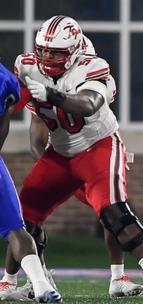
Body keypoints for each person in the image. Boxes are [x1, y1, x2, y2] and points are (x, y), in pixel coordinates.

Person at [4, 16, 143, 303]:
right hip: (59, 152)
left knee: (114, 213)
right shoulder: (27, 66)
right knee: (24, 214)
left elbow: (87, 104)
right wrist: (40, 157)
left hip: (98, 147)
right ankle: (16, 282)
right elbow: (37, 122)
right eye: (43, 50)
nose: (47, 57)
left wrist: (53, 95)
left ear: (74, 52)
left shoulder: (93, 67)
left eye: (56, 52)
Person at [0, 63, 62, 303]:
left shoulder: (7, 80)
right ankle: (41, 285)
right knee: (16, 228)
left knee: (18, 227)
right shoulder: (6, 80)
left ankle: (39, 284)